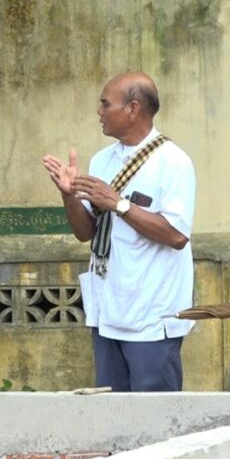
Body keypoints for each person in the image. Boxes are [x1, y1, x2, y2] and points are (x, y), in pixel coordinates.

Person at [43, 72, 196, 392]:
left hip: (152, 316)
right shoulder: (103, 160)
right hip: (108, 311)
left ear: (133, 108)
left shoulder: (173, 162)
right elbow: (86, 232)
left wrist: (120, 204)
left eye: (105, 104)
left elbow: (177, 236)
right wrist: (69, 195)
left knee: (153, 413)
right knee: (111, 411)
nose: (99, 112)